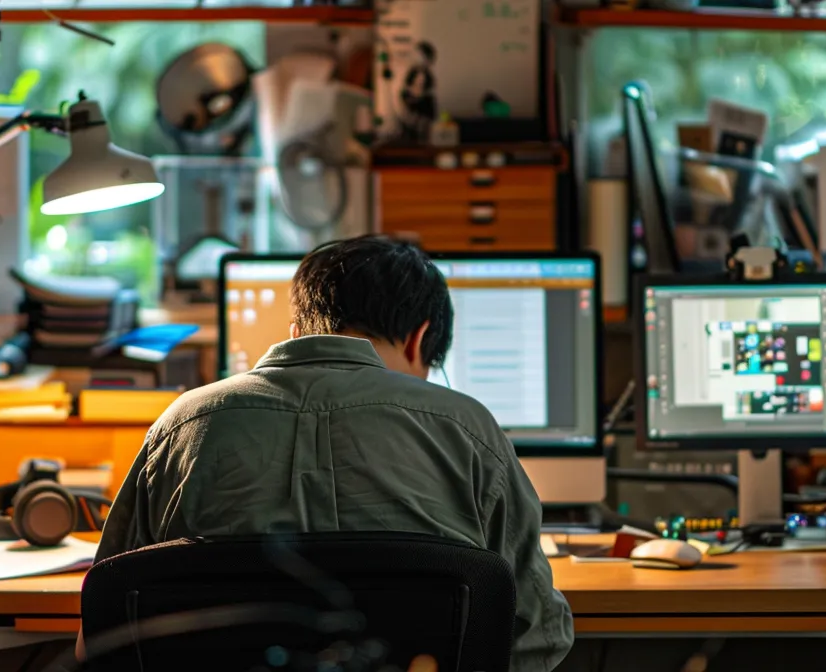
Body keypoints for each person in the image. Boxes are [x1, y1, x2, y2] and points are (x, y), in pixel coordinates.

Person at [82, 235, 574, 671]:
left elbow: (102, 630)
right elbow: (535, 635)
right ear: (420, 337)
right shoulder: (467, 429)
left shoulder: (183, 424)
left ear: (299, 330)